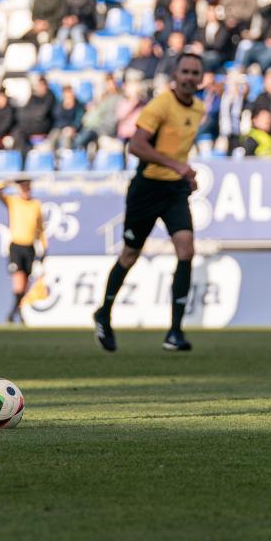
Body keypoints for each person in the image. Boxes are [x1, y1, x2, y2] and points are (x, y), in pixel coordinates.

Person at [94, 53, 205, 353]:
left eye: (195, 72)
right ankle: (104, 313)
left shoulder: (198, 108)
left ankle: (175, 332)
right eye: (185, 71)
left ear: (201, 78)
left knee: (186, 249)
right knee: (130, 254)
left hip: (174, 190)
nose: (190, 77)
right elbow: (136, 145)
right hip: (147, 188)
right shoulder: (160, 105)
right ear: (175, 75)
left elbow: (177, 150)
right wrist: (177, 166)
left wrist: (185, 175)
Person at [0, 178, 47, 325]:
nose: (26, 190)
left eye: (28, 187)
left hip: (30, 247)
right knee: (18, 281)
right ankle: (15, 313)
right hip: (16, 246)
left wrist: (44, 248)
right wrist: (9, 182)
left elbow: (40, 228)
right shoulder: (13, 201)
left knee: (25, 284)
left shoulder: (36, 204)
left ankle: (16, 313)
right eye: (23, 187)